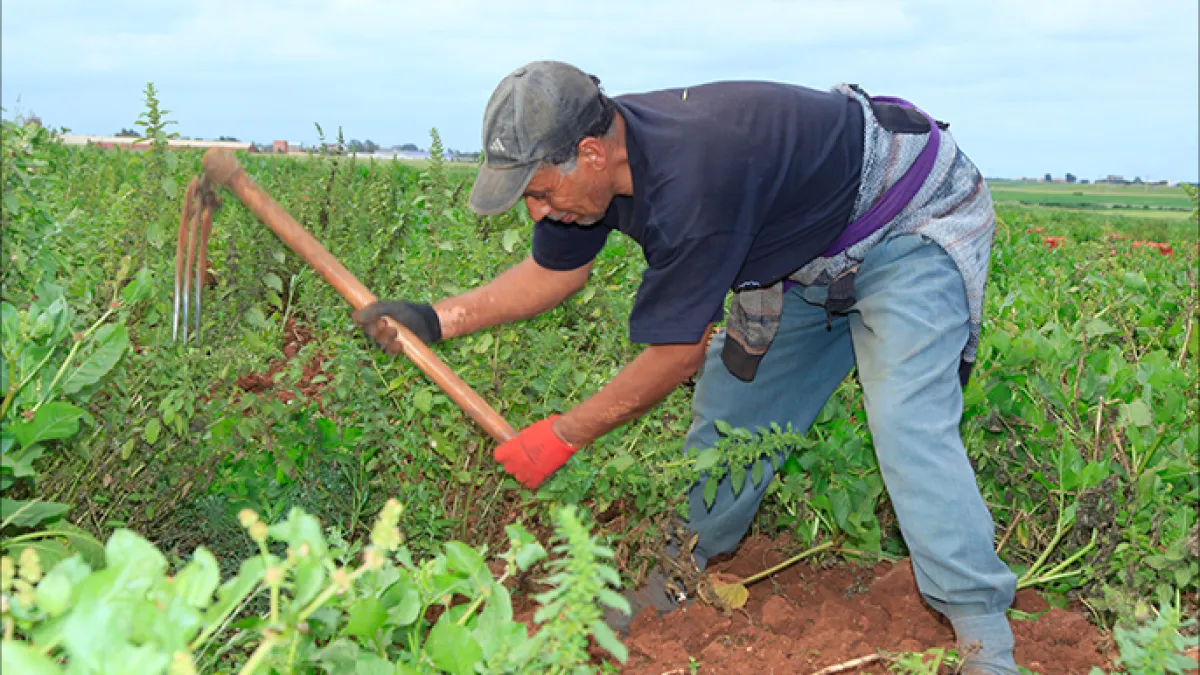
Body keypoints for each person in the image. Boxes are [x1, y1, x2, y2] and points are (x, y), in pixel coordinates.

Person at [354, 60, 1019, 674]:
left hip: (908, 222)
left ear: (590, 154)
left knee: (907, 422)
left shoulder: (692, 176)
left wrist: (562, 434)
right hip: (801, 256)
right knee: (732, 412)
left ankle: (983, 632)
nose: (537, 210)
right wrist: (435, 319)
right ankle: (680, 565)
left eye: (538, 191)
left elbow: (674, 355)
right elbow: (553, 271)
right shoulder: (591, 172)